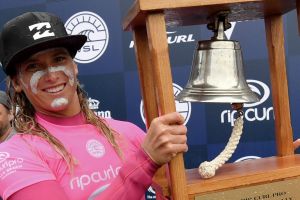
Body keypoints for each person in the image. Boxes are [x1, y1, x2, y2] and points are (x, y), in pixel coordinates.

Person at [0, 12, 188, 200]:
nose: (51, 75)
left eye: (58, 59)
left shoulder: (129, 132)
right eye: (33, 66)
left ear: (74, 66)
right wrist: (145, 161)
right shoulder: (14, 155)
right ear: (17, 82)